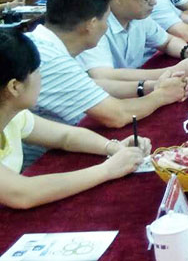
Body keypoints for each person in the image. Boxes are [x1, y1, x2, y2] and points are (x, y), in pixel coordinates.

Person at [24, 0, 188, 165]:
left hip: (69, 144)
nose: (107, 26)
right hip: (39, 163)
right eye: (107, 19)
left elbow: (90, 86)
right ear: (92, 24)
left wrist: (151, 86)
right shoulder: (50, 58)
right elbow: (116, 115)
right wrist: (163, 95)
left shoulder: (41, 42)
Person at [0, 29, 152, 209]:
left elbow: (66, 136)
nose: (41, 78)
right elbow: (22, 193)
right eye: (37, 72)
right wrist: (107, 170)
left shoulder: (16, 116)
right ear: (15, 87)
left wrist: (114, 147)